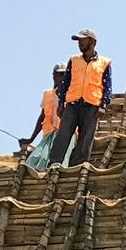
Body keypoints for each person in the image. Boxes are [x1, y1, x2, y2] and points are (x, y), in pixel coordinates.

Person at [50, 29, 112, 167]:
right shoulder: (73, 60)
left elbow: (107, 86)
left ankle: (76, 166)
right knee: (63, 135)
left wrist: (103, 106)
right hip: (73, 104)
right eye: (79, 40)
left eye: (82, 40)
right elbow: (65, 83)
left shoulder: (104, 62)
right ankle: (54, 163)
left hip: (92, 105)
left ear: (92, 42)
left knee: (85, 139)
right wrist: (61, 103)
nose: (79, 43)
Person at [21, 65, 72, 170]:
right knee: (37, 159)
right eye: (59, 75)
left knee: (60, 162)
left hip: (66, 134)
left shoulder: (72, 94)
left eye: (64, 75)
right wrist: (31, 138)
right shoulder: (48, 94)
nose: (61, 78)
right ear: (54, 77)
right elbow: (42, 117)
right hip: (49, 134)